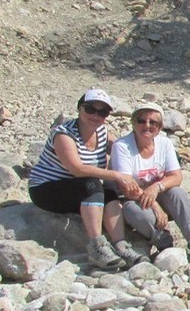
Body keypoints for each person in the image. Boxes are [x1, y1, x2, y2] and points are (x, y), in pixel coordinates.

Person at [28, 88, 143, 269]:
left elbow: (124, 151)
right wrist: (117, 175)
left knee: (109, 191)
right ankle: (97, 247)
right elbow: (77, 169)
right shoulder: (64, 134)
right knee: (93, 184)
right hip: (47, 189)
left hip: (80, 190)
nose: (96, 115)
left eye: (103, 112)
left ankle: (120, 245)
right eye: (91, 109)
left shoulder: (103, 133)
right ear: (80, 108)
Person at [106, 101, 190, 262]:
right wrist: (155, 206)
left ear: (160, 127)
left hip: (159, 193)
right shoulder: (122, 146)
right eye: (141, 121)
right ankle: (164, 242)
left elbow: (176, 177)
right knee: (135, 213)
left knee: (177, 194)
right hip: (133, 198)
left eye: (153, 122)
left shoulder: (164, 144)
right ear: (133, 123)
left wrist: (157, 187)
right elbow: (127, 187)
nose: (147, 125)